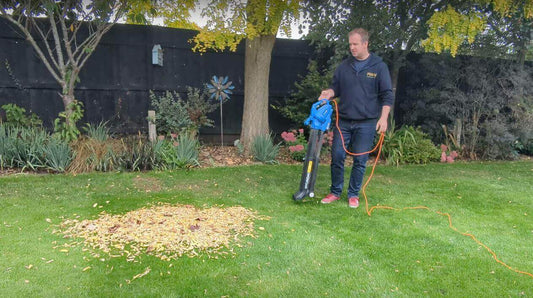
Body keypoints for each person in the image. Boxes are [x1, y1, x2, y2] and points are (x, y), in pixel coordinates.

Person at [318, 28, 394, 208]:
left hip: (367, 123)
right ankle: (335, 191)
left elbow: (387, 96)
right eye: (350, 44)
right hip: (343, 121)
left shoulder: (378, 67)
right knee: (337, 156)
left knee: (360, 160)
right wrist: (328, 93)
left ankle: (353, 194)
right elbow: (335, 87)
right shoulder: (345, 66)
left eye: (355, 44)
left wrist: (383, 119)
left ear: (365, 44)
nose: (352, 47)